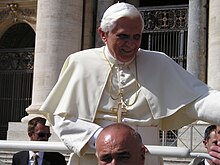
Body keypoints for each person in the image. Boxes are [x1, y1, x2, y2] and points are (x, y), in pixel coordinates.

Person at [39, 2, 220, 165]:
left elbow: (198, 99)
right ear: (103, 34)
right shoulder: (80, 63)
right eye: (123, 36)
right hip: (94, 158)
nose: (131, 44)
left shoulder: (158, 62)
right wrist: (101, 138)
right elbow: (61, 118)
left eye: (136, 36)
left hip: (146, 156)